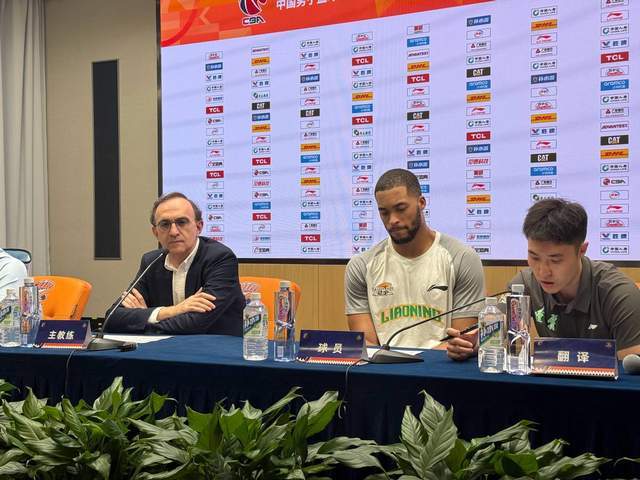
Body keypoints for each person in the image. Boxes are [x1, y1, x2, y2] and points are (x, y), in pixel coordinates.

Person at [447, 198, 640, 361]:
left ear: (581, 250)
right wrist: (472, 344)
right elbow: (492, 334)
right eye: (534, 257)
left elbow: (632, 370)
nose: (542, 272)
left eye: (555, 260)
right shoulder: (524, 284)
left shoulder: (619, 294)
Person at [345, 168, 485, 349]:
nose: (393, 220)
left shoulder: (462, 258)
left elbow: (460, 343)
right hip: (384, 365)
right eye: (384, 212)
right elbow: (366, 345)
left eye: (401, 209)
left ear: (421, 203)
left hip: (442, 365)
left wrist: (413, 362)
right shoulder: (361, 266)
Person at [105, 192, 245, 335]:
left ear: (199, 227)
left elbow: (196, 323)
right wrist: (174, 310)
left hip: (215, 345)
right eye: (165, 224)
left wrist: (145, 319)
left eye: (181, 222)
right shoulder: (151, 261)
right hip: (163, 345)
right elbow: (112, 318)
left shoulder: (220, 258)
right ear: (155, 232)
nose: (173, 232)